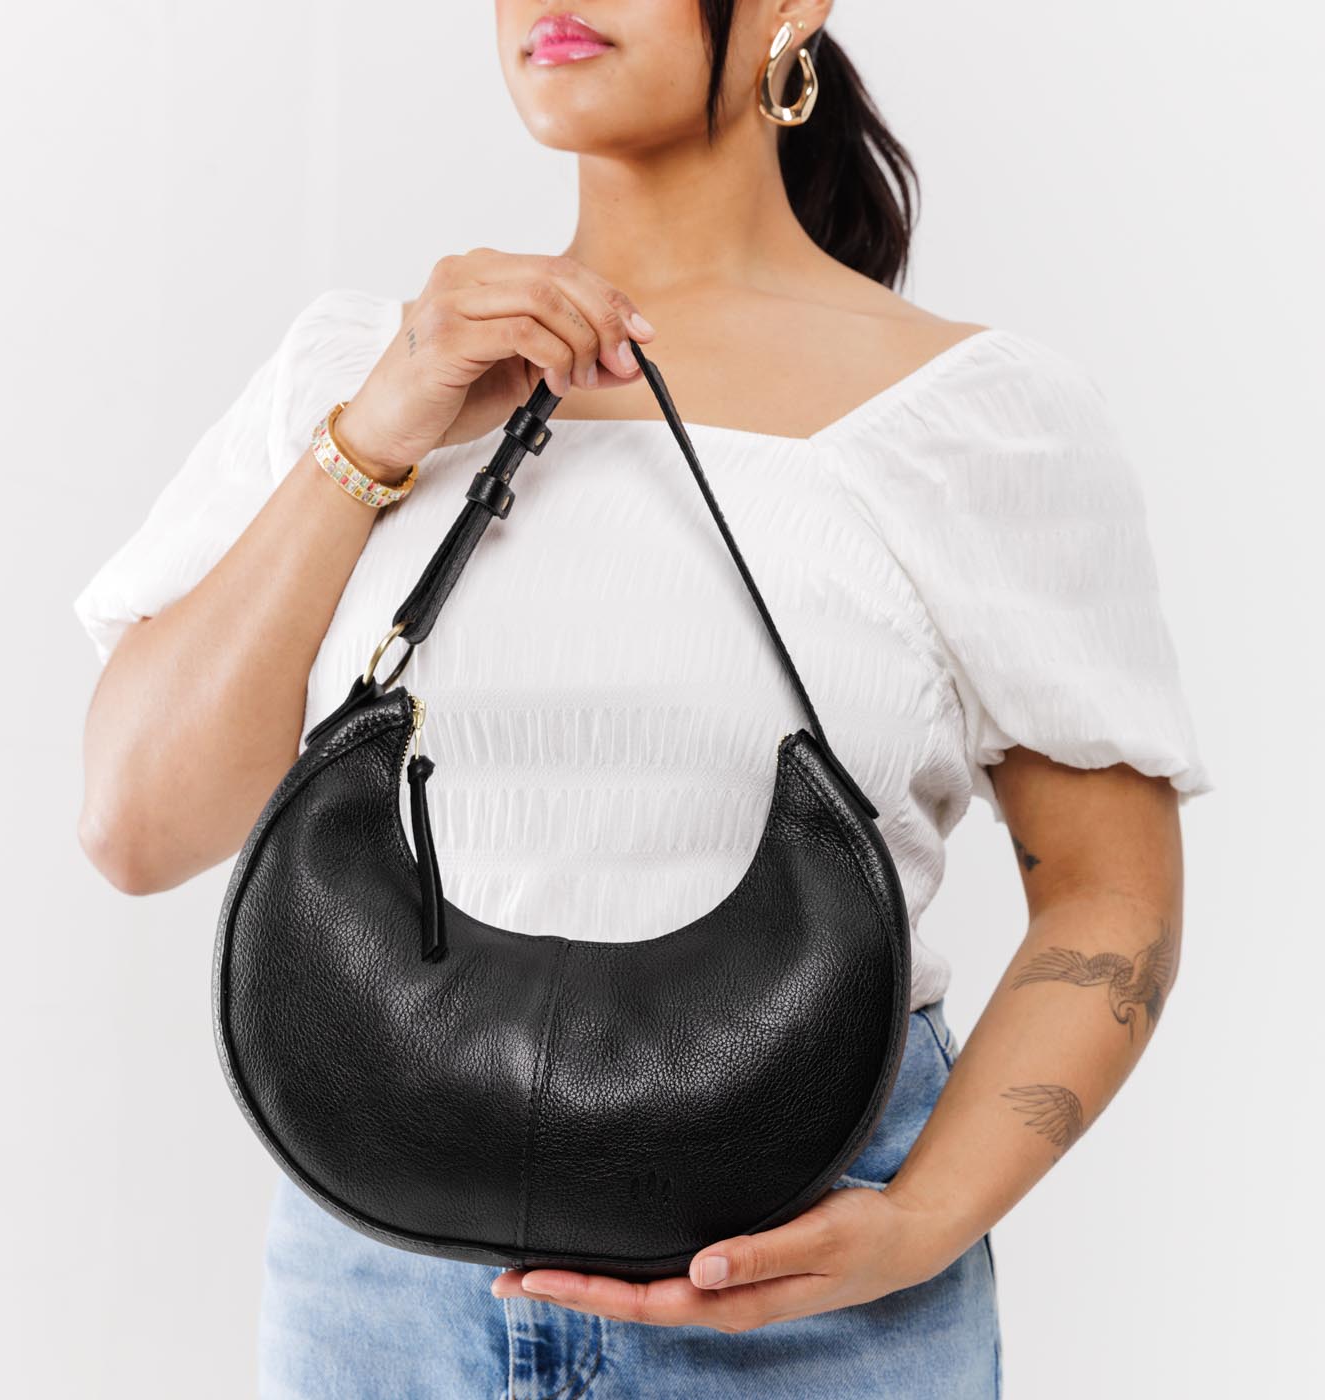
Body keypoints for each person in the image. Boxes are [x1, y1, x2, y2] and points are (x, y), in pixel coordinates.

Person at [73, 3, 1212, 1396]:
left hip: (803, 1284)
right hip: (378, 1284)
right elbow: (138, 825)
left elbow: (1110, 898)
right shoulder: (361, 372)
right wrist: (377, 430)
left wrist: (921, 1223)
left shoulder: (978, 415)